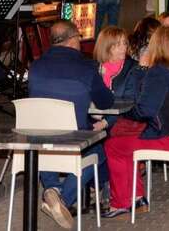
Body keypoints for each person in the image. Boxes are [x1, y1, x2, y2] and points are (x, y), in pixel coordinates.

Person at [28, 20, 114, 229]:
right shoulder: (86, 67)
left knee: (45, 134)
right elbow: (105, 102)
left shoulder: (35, 66)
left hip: (39, 142)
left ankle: (52, 188)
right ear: (73, 40)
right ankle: (64, 198)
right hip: (73, 139)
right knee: (100, 151)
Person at [103, 26, 169, 219]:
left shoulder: (158, 72)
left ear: (154, 46)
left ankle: (121, 203)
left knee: (113, 145)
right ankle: (136, 199)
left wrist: (125, 114)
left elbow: (146, 110)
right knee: (126, 143)